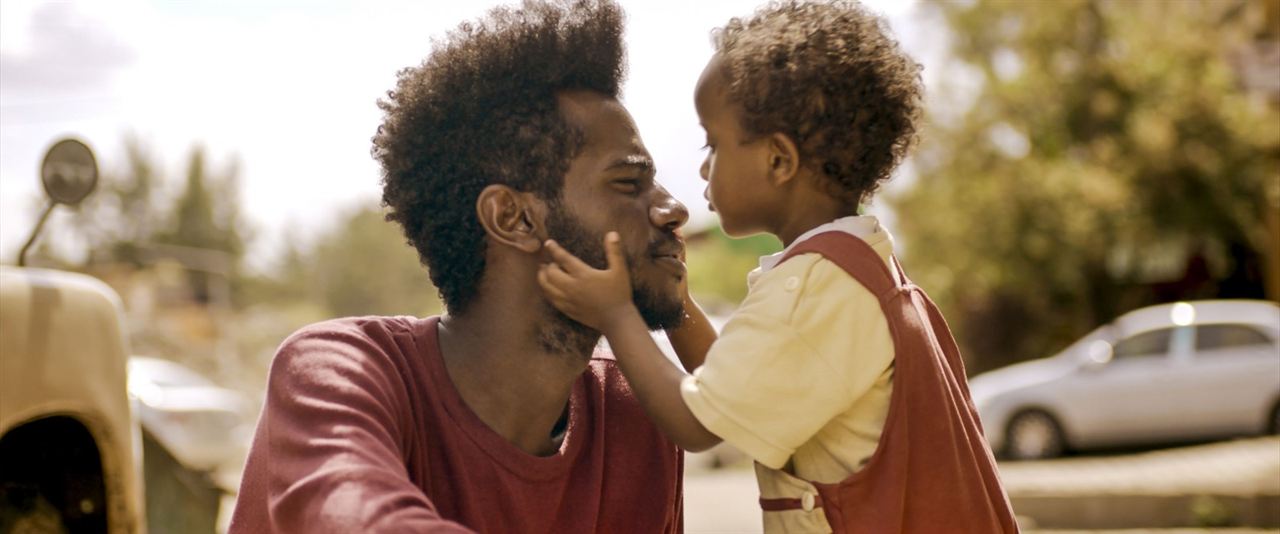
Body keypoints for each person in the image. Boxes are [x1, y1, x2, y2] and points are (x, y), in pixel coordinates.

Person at [537, 1, 1020, 532]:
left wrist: (616, 315)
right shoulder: (856, 273)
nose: (701, 165)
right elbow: (732, 385)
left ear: (778, 161)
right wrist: (678, 307)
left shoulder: (810, 288)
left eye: (713, 143)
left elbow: (698, 423)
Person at [227, 1, 693, 532]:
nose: (674, 209)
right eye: (630, 184)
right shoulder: (337, 373)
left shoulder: (640, 416)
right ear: (513, 218)